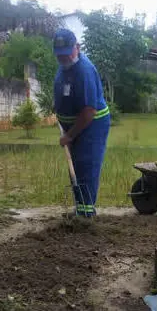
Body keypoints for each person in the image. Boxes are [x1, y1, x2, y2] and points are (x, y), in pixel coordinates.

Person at [52, 28, 111, 217]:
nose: (64, 58)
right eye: (60, 55)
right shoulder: (64, 67)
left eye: (67, 53)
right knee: (75, 167)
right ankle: (80, 208)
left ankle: (86, 215)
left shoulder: (84, 70)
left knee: (86, 165)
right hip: (73, 126)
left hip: (91, 126)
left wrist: (69, 135)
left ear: (77, 47)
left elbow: (89, 111)